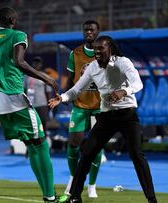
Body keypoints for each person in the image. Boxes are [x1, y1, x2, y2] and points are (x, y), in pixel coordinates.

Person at [0, 7, 66, 203]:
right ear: (13, 20)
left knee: (33, 146)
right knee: (41, 146)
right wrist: (46, 78)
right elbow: (19, 61)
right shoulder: (18, 34)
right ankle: (50, 197)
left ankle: (48, 195)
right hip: (14, 96)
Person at [49, 35, 157, 203]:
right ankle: (75, 196)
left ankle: (152, 199)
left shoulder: (123, 62)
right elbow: (76, 90)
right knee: (86, 153)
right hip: (106, 116)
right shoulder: (92, 67)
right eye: (96, 49)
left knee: (137, 155)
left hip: (127, 115)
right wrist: (61, 99)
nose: (97, 51)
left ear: (110, 49)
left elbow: (138, 83)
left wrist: (124, 91)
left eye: (101, 48)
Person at [63, 20, 103, 198]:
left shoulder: (103, 52)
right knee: (73, 143)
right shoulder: (75, 53)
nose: (88, 32)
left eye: (92, 30)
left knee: (96, 146)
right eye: (86, 30)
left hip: (99, 107)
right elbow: (71, 77)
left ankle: (92, 185)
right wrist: (64, 96)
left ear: (98, 32)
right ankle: (73, 178)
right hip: (79, 106)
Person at [24, 56, 52, 132]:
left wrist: (49, 105)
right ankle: (34, 141)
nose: (36, 64)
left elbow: (48, 92)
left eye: (38, 63)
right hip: (31, 105)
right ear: (32, 64)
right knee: (32, 125)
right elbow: (24, 90)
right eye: (35, 63)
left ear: (41, 64)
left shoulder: (45, 76)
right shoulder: (27, 77)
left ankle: (44, 139)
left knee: (43, 124)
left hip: (42, 105)